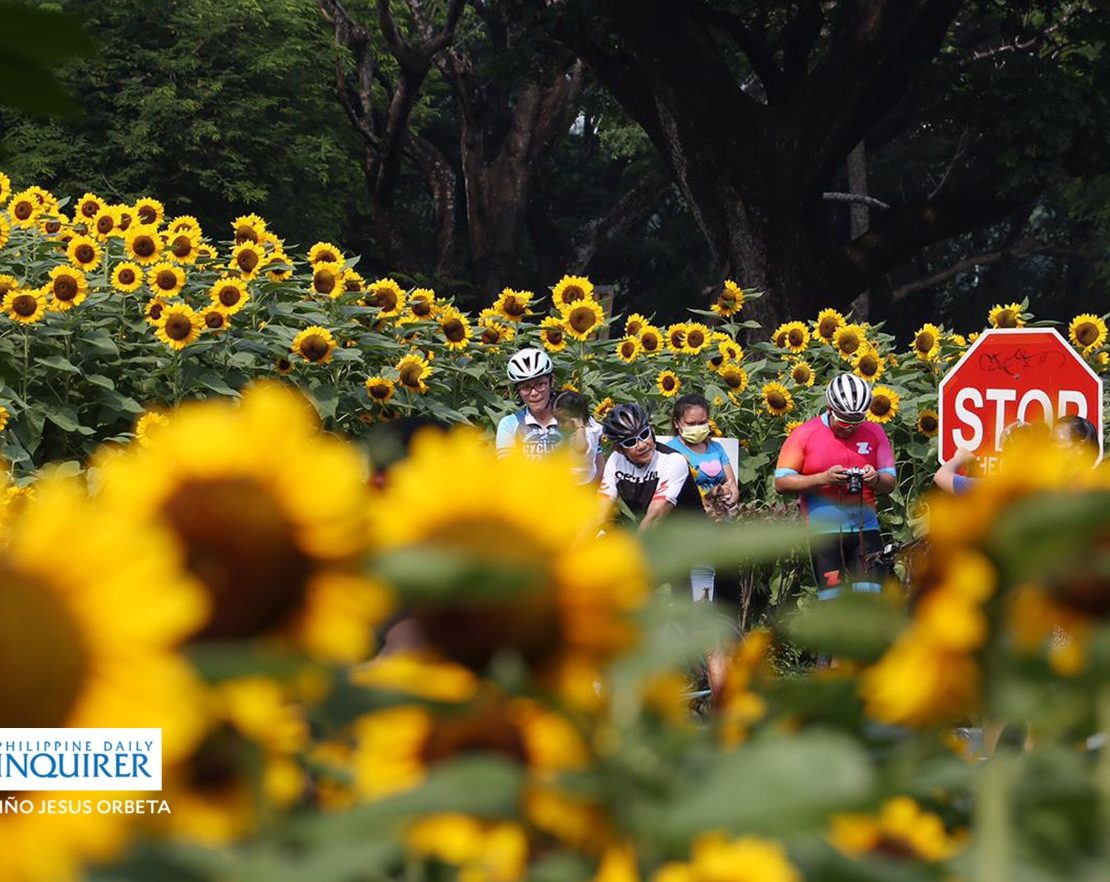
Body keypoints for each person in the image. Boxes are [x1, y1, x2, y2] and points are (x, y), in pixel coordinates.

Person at [774, 373, 896, 599]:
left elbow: (889, 484)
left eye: (857, 422)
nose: (850, 428)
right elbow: (781, 483)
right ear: (830, 409)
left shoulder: (875, 432)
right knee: (833, 602)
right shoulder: (804, 434)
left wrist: (876, 479)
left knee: (870, 601)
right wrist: (823, 479)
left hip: (866, 530)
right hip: (824, 534)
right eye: (844, 422)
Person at [667, 393, 740, 520]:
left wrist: (728, 503)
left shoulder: (716, 448)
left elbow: (732, 484)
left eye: (702, 422)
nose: (697, 428)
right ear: (677, 423)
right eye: (691, 424)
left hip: (721, 517)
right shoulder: (670, 451)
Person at [495, 347, 562, 458]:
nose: (534, 393)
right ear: (517, 391)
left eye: (540, 384)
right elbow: (506, 466)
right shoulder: (510, 424)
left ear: (551, 381)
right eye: (525, 388)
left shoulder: (576, 419)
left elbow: (590, 463)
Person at [552, 389, 605, 484]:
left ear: (577, 419)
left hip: (579, 484)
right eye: (557, 420)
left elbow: (581, 448)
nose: (559, 425)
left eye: (563, 421)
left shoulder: (587, 434)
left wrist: (579, 426)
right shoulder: (590, 425)